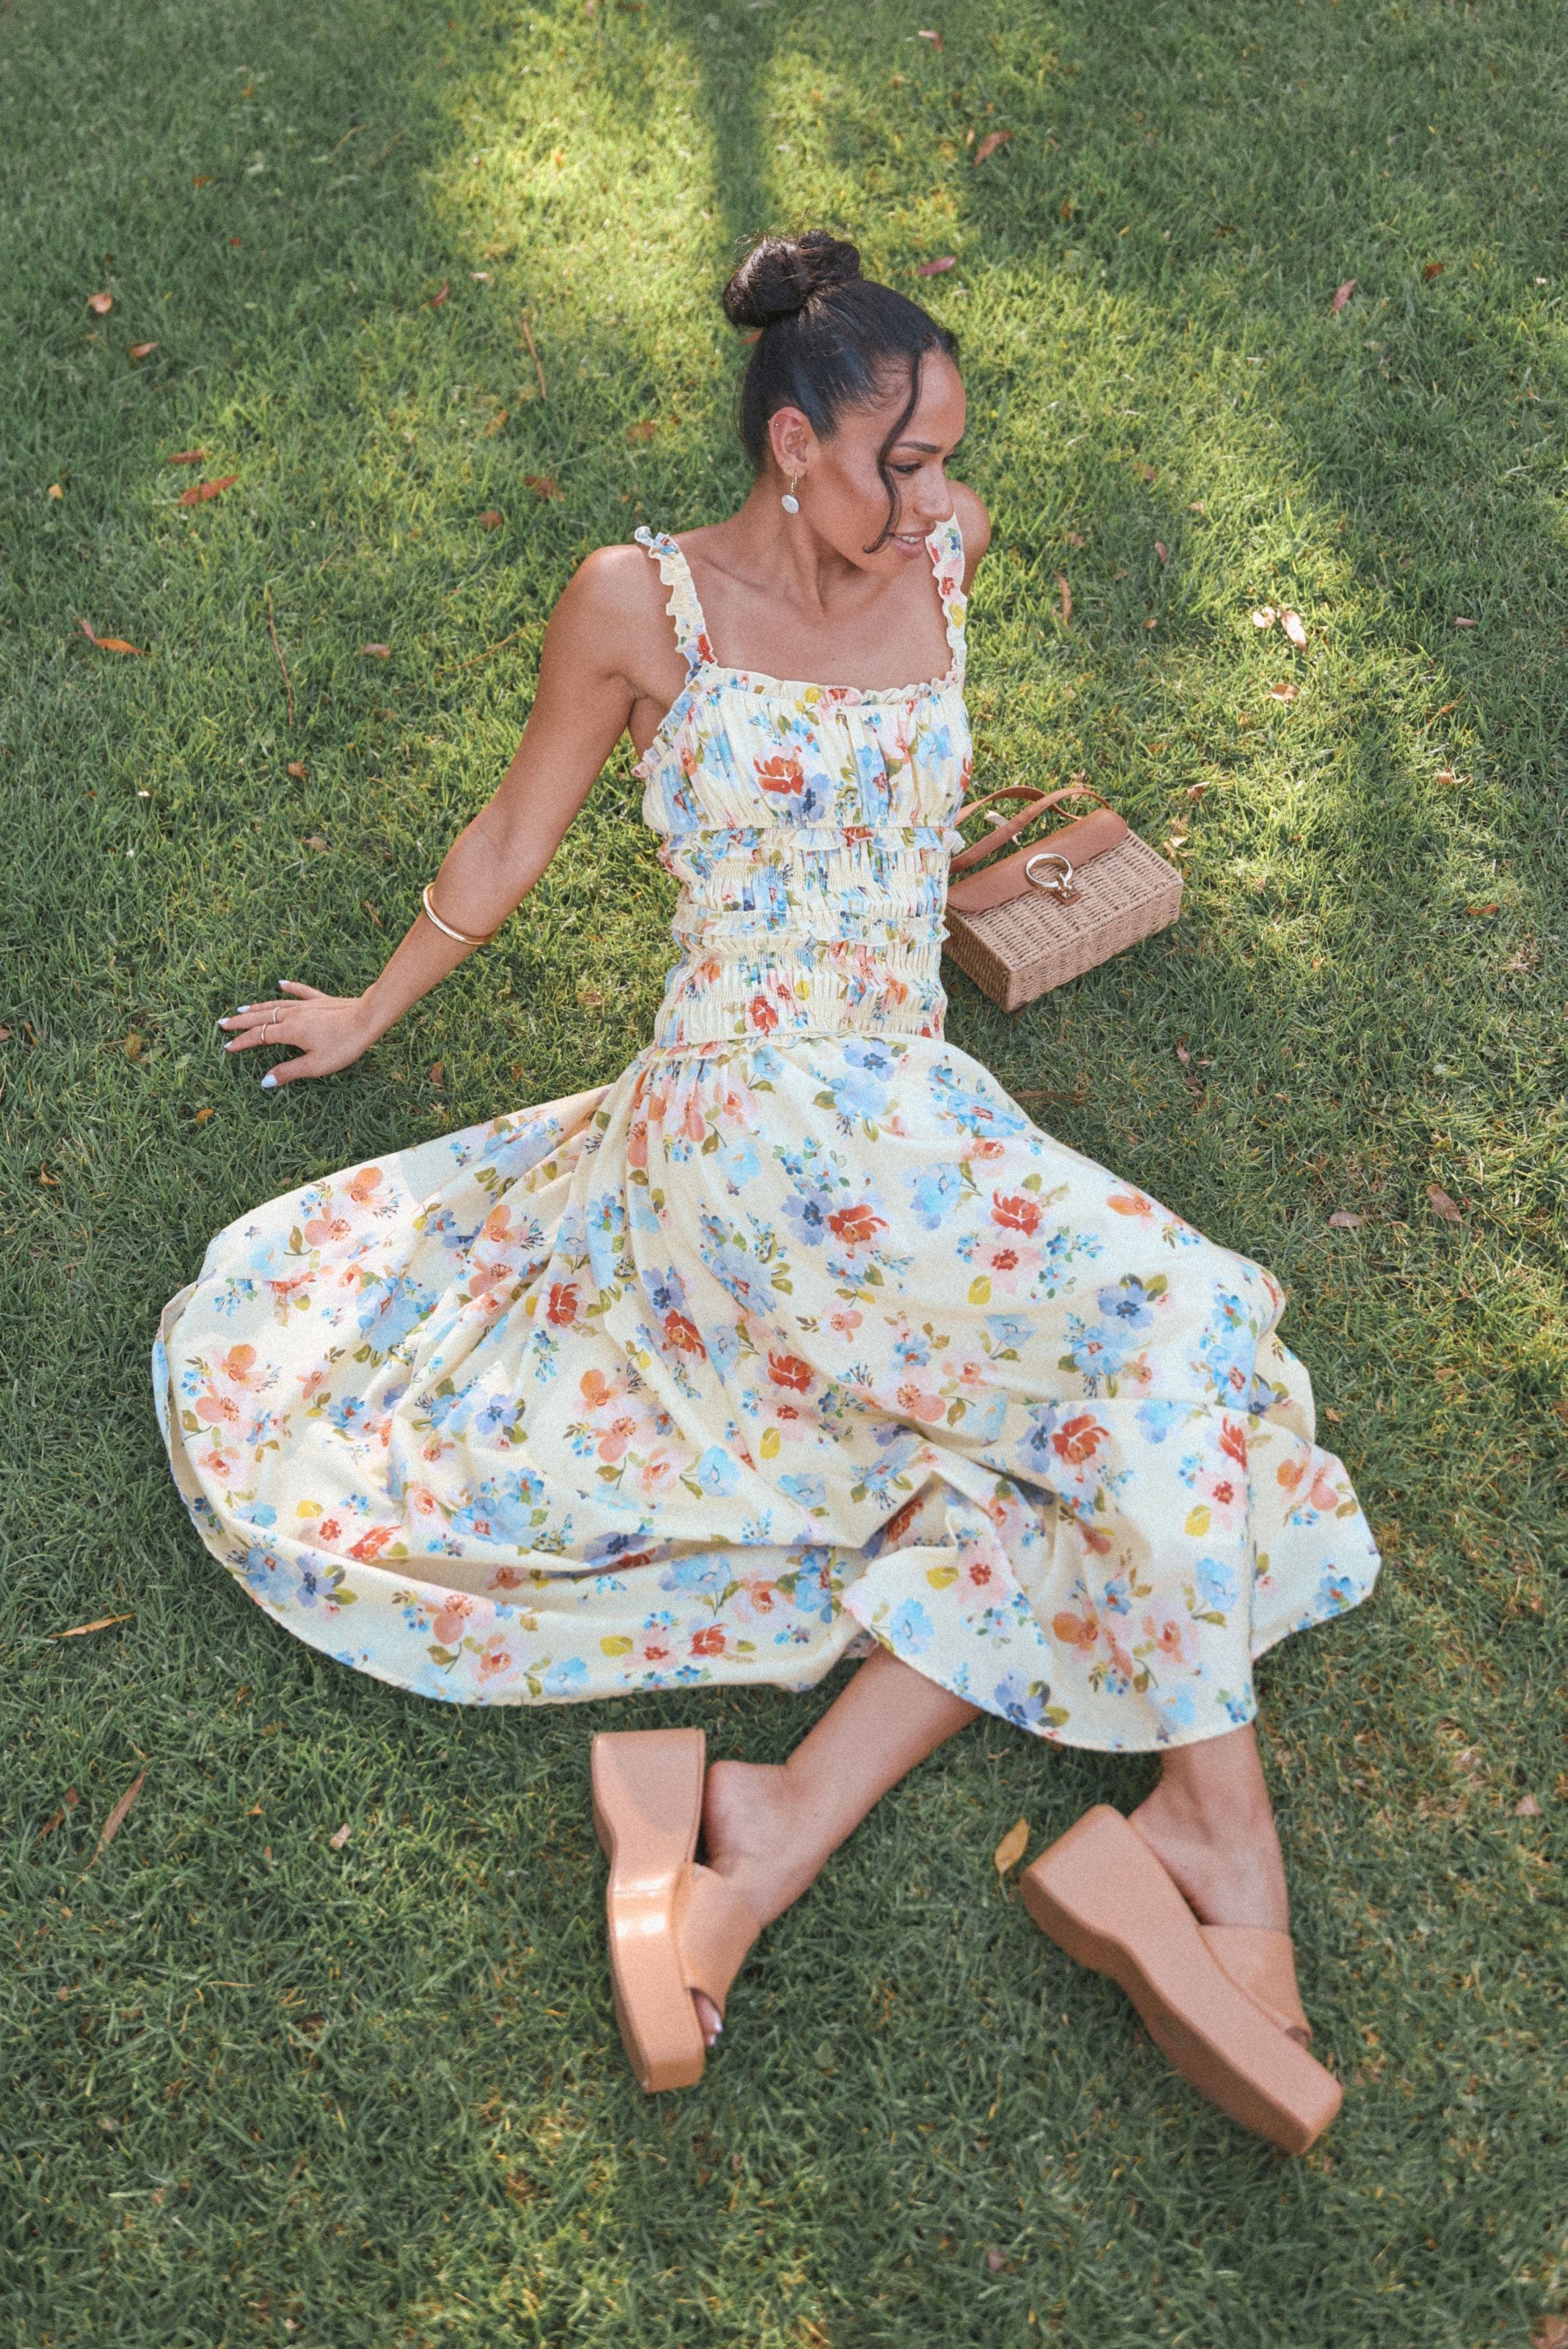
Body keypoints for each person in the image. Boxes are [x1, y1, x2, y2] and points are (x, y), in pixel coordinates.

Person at [157, 231, 1379, 2152]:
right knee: (1158, 1338)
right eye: (907, 460)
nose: (946, 496)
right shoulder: (641, 608)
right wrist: (371, 1009)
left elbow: (893, 796)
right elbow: (511, 828)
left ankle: (770, 1830)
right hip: (736, 1134)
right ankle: (1217, 1852)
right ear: (798, 445)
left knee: (1106, 1368)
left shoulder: (941, 562)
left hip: (911, 1101)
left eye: (951, 457)